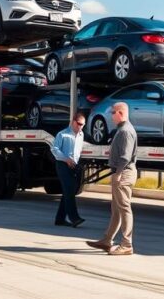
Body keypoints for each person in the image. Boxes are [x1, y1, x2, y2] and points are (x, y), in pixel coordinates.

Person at [87, 102, 137, 255]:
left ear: (120, 113)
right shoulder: (121, 129)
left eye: (113, 112)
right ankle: (107, 240)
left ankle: (127, 244)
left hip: (124, 173)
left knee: (124, 209)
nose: (111, 115)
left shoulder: (125, 131)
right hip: (121, 173)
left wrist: (118, 174)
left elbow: (125, 157)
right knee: (116, 210)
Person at [50, 112, 87, 228]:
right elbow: (54, 149)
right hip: (62, 165)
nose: (81, 127)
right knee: (69, 190)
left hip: (74, 166)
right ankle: (74, 218)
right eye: (79, 124)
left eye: (83, 125)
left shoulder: (81, 135)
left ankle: (60, 219)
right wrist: (66, 159)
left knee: (69, 191)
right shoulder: (62, 134)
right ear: (73, 122)